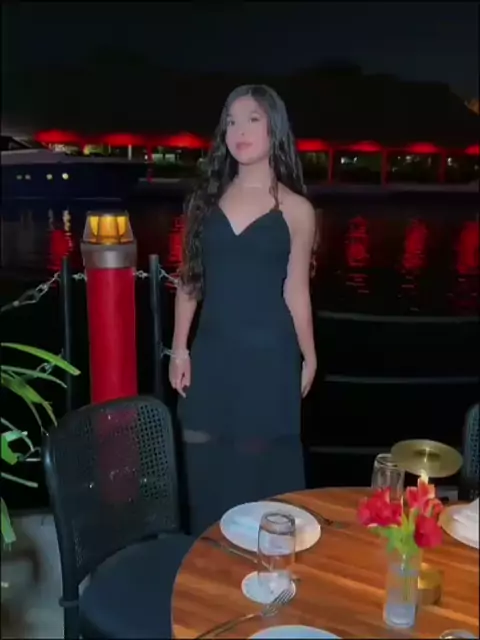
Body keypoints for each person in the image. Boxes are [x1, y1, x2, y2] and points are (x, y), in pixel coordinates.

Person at [169, 84, 317, 535]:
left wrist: (310, 355)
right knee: (203, 463)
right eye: (231, 121)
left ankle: (260, 566)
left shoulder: (297, 209)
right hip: (212, 354)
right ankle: (206, 563)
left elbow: (296, 289)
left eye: (253, 119)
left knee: (258, 480)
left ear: (275, 128)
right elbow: (190, 279)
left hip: (269, 358)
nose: (240, 130)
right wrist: (179, 349)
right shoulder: (205, 201)